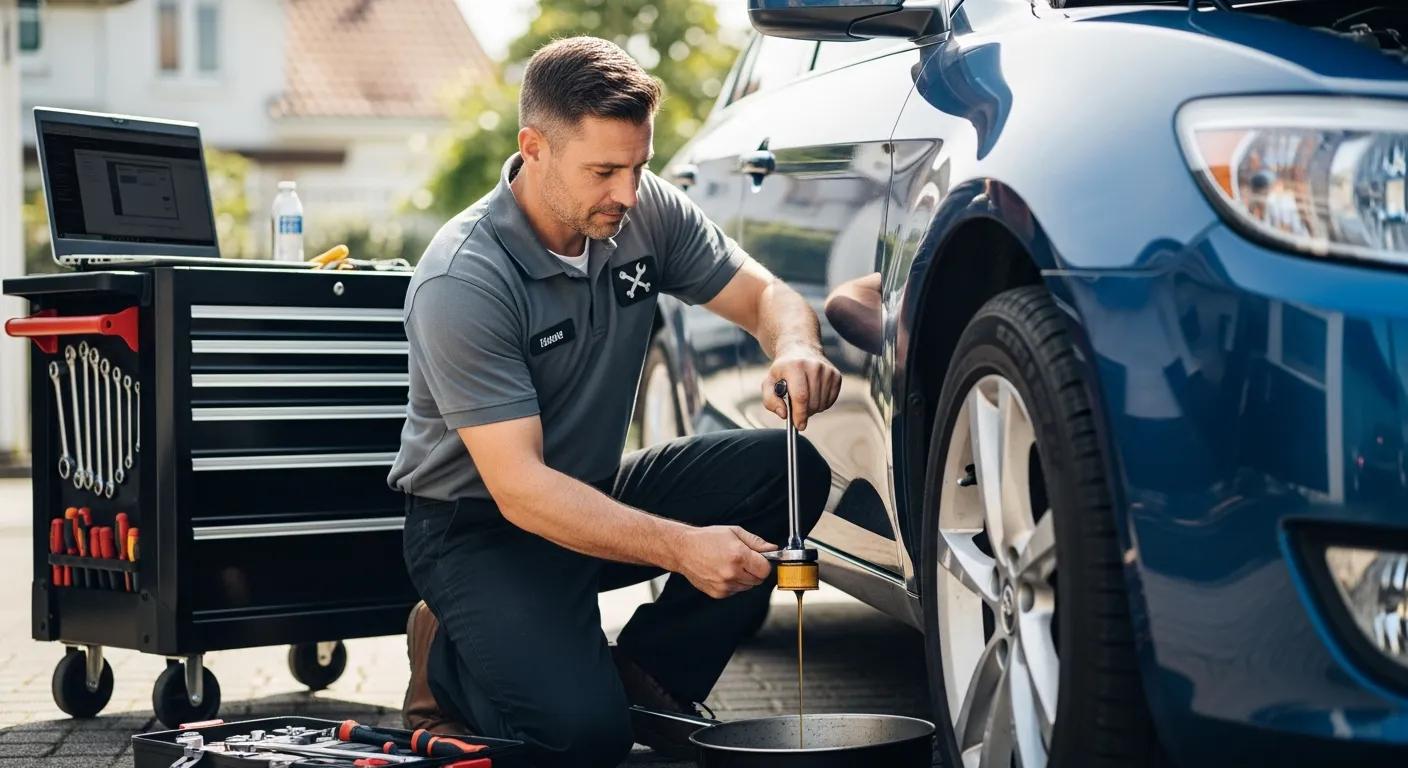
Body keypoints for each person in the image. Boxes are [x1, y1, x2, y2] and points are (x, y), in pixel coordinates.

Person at [388, 36, 842, 768]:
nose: (627, 193)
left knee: (787, 470)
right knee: (584, 740)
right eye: (603, 171)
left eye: (638, 166)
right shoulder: (464, 279)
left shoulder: (640, 209)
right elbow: (521, 490)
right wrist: (681, 549)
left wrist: (795, 345)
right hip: (481, 527)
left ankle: (647, 675)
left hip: (589, 489)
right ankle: (446, 650)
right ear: (533, 148)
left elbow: (767, 297)